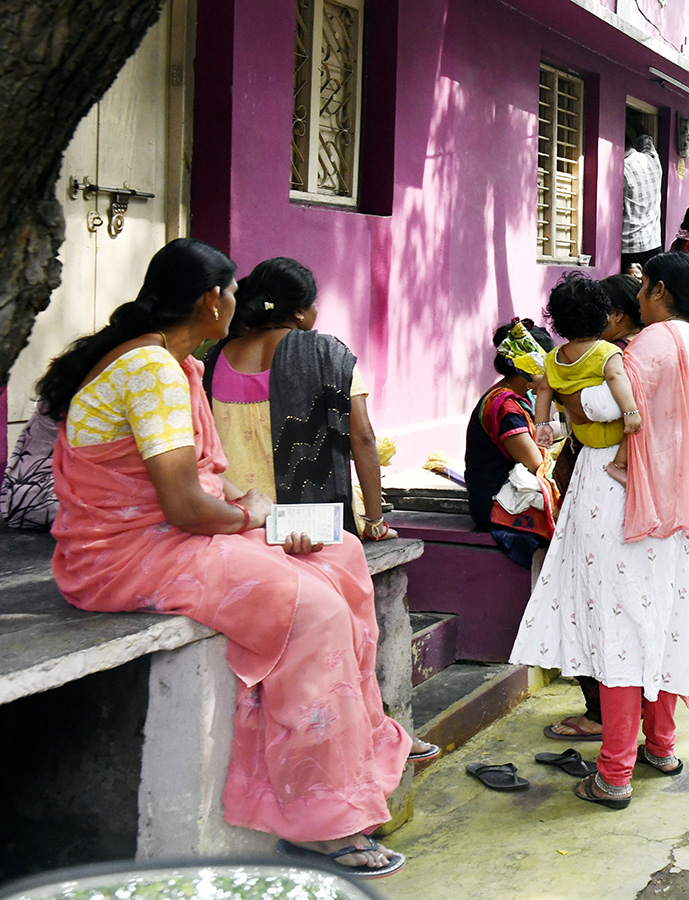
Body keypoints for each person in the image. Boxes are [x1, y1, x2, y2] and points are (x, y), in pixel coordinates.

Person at [40, 238, 414, 877]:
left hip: (184, 532)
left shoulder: (180, 364)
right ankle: (319, 819)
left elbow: (214, 480)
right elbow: (187, 507)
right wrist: (259, 523)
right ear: (212, 300)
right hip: (127, 554)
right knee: (313, 604)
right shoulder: (152, 370)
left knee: (343, 548)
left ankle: (360, 751)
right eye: (234, 291)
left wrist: (266, 513)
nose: (238, 303)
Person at [510, 252, 689, 810]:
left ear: (653, 291)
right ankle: (661, 744)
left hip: (626, 501)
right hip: (673, 499)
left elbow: (600, 406)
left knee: (622, 625)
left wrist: (561, 384)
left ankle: (614, 773)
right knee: (662, 619)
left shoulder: (650, 342)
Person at [203, 257, 393, 541]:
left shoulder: (213, 358)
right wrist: (375, 521)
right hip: (308, 529)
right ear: (300, 313)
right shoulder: (328, 355)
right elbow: (363, 438)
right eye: (315, 303)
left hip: (232, 519)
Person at [543, 274, 644, 744]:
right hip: (609, 472)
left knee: (592, 587)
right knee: (604, 586)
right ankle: (618, 710)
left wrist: (562, 409)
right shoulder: (613, 357)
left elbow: (578, 410)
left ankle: (605, 712)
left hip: (598, 477)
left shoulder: (602, 358)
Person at [463, 319, 560, 569]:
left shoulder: (514, 397)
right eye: (546, 366)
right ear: (526, 367)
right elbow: (535, 463)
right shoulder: (504, 407)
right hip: (494, 501)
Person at [534, 274, 642, 485]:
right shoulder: (607, 351)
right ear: (605, 317)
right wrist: (631, 412)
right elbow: (616, 377)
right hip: (612, 441)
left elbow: (544, 390)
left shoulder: (554, 357)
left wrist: (542, 424)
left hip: (584, 439)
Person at [621, 119, 664, 274]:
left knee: (627, 292)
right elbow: (646, 141)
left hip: (628, 246)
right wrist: (639, 124)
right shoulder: (652, 160)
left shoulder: (622, 169)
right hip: (653, 244)